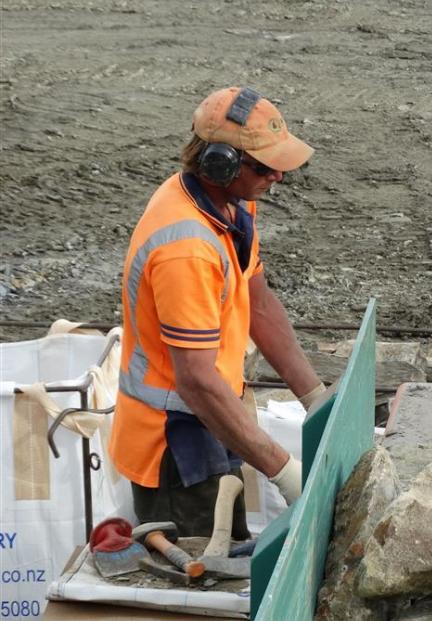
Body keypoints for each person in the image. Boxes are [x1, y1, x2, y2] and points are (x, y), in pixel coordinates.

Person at [109, 86, 326, 538]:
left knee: (232, 549)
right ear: (220, 163)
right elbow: (197, 382)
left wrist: (315, 397)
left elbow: (259, 303)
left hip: (216, 418)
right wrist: (284, 472)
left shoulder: (230, 205)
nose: (278, 178)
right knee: (202, 581)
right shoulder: (186, 247)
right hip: (176, 448)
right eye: (265, 167)